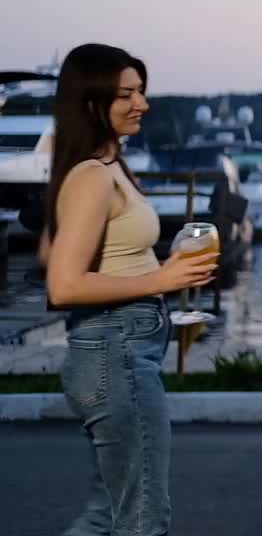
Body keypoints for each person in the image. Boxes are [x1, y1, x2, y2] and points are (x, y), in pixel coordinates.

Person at [41, 43, 218, 536]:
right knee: (142, 518)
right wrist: (160, 279)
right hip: (113, 351)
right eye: (126, 93)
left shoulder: (105, 167)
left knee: (108, 514)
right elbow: (63, 284)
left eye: (141, 90)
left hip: (122, 347)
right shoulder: (92, 178)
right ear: (91, 101)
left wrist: (164, 263)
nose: (141, 103)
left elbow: (52, 255)